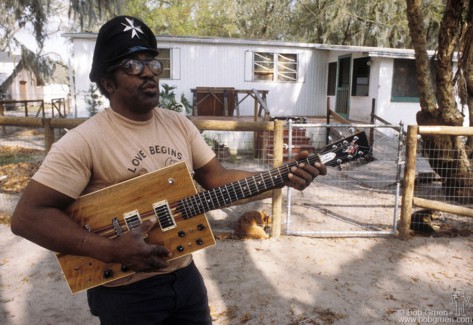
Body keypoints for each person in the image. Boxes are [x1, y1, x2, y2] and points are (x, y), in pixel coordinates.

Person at [11, 16, 327, 325]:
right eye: (133, 66)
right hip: (125, 294)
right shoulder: (83, 141)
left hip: (183, 275)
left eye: (153, 63)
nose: (149, 73)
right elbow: (27, 217)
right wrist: (109, 249)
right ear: (108, 82)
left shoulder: (178, 123)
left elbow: (217, 179)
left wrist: (281, 176)